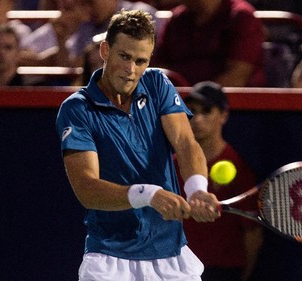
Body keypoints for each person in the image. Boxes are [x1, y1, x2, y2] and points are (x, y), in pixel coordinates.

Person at [56, 9, 220, 281]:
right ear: (105, 50)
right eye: (124, 57)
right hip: (110, 258)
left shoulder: (157, 84)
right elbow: (86, 188)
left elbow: (185, 141)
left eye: (141, 61)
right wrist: (148, 194)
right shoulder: (77, 109)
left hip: (171, 257)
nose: (131, 70)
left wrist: (197, 189)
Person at [175, 81, 264, 281]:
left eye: (206, 111)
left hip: (222, 272)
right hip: (179, 269)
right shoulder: (173, 164)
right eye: (192, 111)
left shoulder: (238, 167)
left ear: (223, 115)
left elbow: (253, 234)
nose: (197, 119)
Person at [151, 0, 266, 87]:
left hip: (230, 109)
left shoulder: (242, 17)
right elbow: (159, 67)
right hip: (174, 103)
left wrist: (198, 103)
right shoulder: (176, 19)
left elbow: (237, 75)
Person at [20, 0, 158, 68]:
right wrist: (61, 39)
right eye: (84, 2)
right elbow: (72, 64)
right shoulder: (87, 23)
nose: (87, 6)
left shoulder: (138, 13)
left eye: (90, 1)